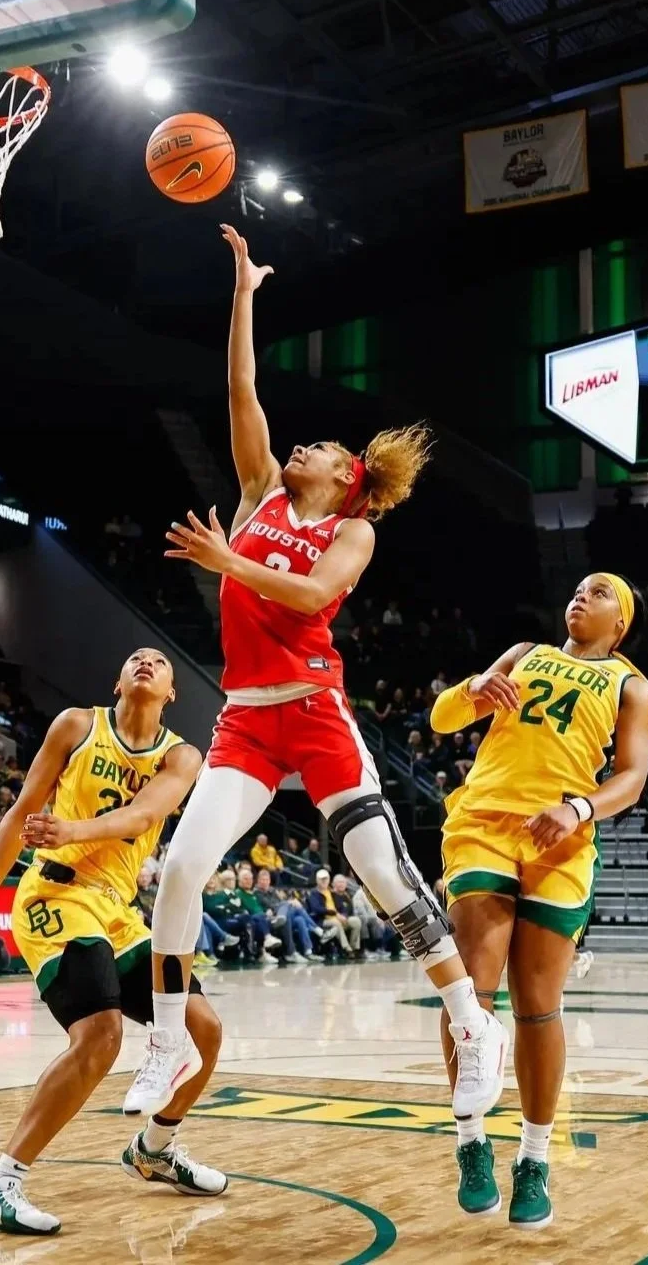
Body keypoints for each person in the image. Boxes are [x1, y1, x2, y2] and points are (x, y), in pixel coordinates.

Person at [130, 226, 497, 1176]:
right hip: (247, 718)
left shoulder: (352, 532)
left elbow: (309, 598)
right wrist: (245, 292)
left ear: (347, 478)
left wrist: (226, 559)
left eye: (326, 446)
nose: (307, 442)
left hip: (317, 711)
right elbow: (240, 393)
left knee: (384, 877)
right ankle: (166, 1041)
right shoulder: (258, 492)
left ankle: (470, 1024)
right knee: (178, 873)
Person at [0, 647, 224, 1236]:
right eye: (135, 658)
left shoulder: (182, 756)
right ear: (118, 679)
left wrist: (72, 828)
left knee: (203, 1029)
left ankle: (154, 1148)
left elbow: (142, 817)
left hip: (118, 911)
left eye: (159, 661)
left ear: (172, 691)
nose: (146, 662)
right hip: (54, 896)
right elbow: (21, 812)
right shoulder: (77, 724)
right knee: (101, 1034)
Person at [426, 571, 648, 1223]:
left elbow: (632, 778)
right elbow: (443, 719)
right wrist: (471, 690)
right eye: (579, 588)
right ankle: (470, 1142)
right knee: (471, 987)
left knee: (536, 1006)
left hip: (561, 838)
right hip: (483, 824)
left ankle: (533, 1160)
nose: (582, 595)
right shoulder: (525, 654)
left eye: (601, 592)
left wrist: (579, 808)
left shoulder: (631, 686)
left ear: (621, 624)